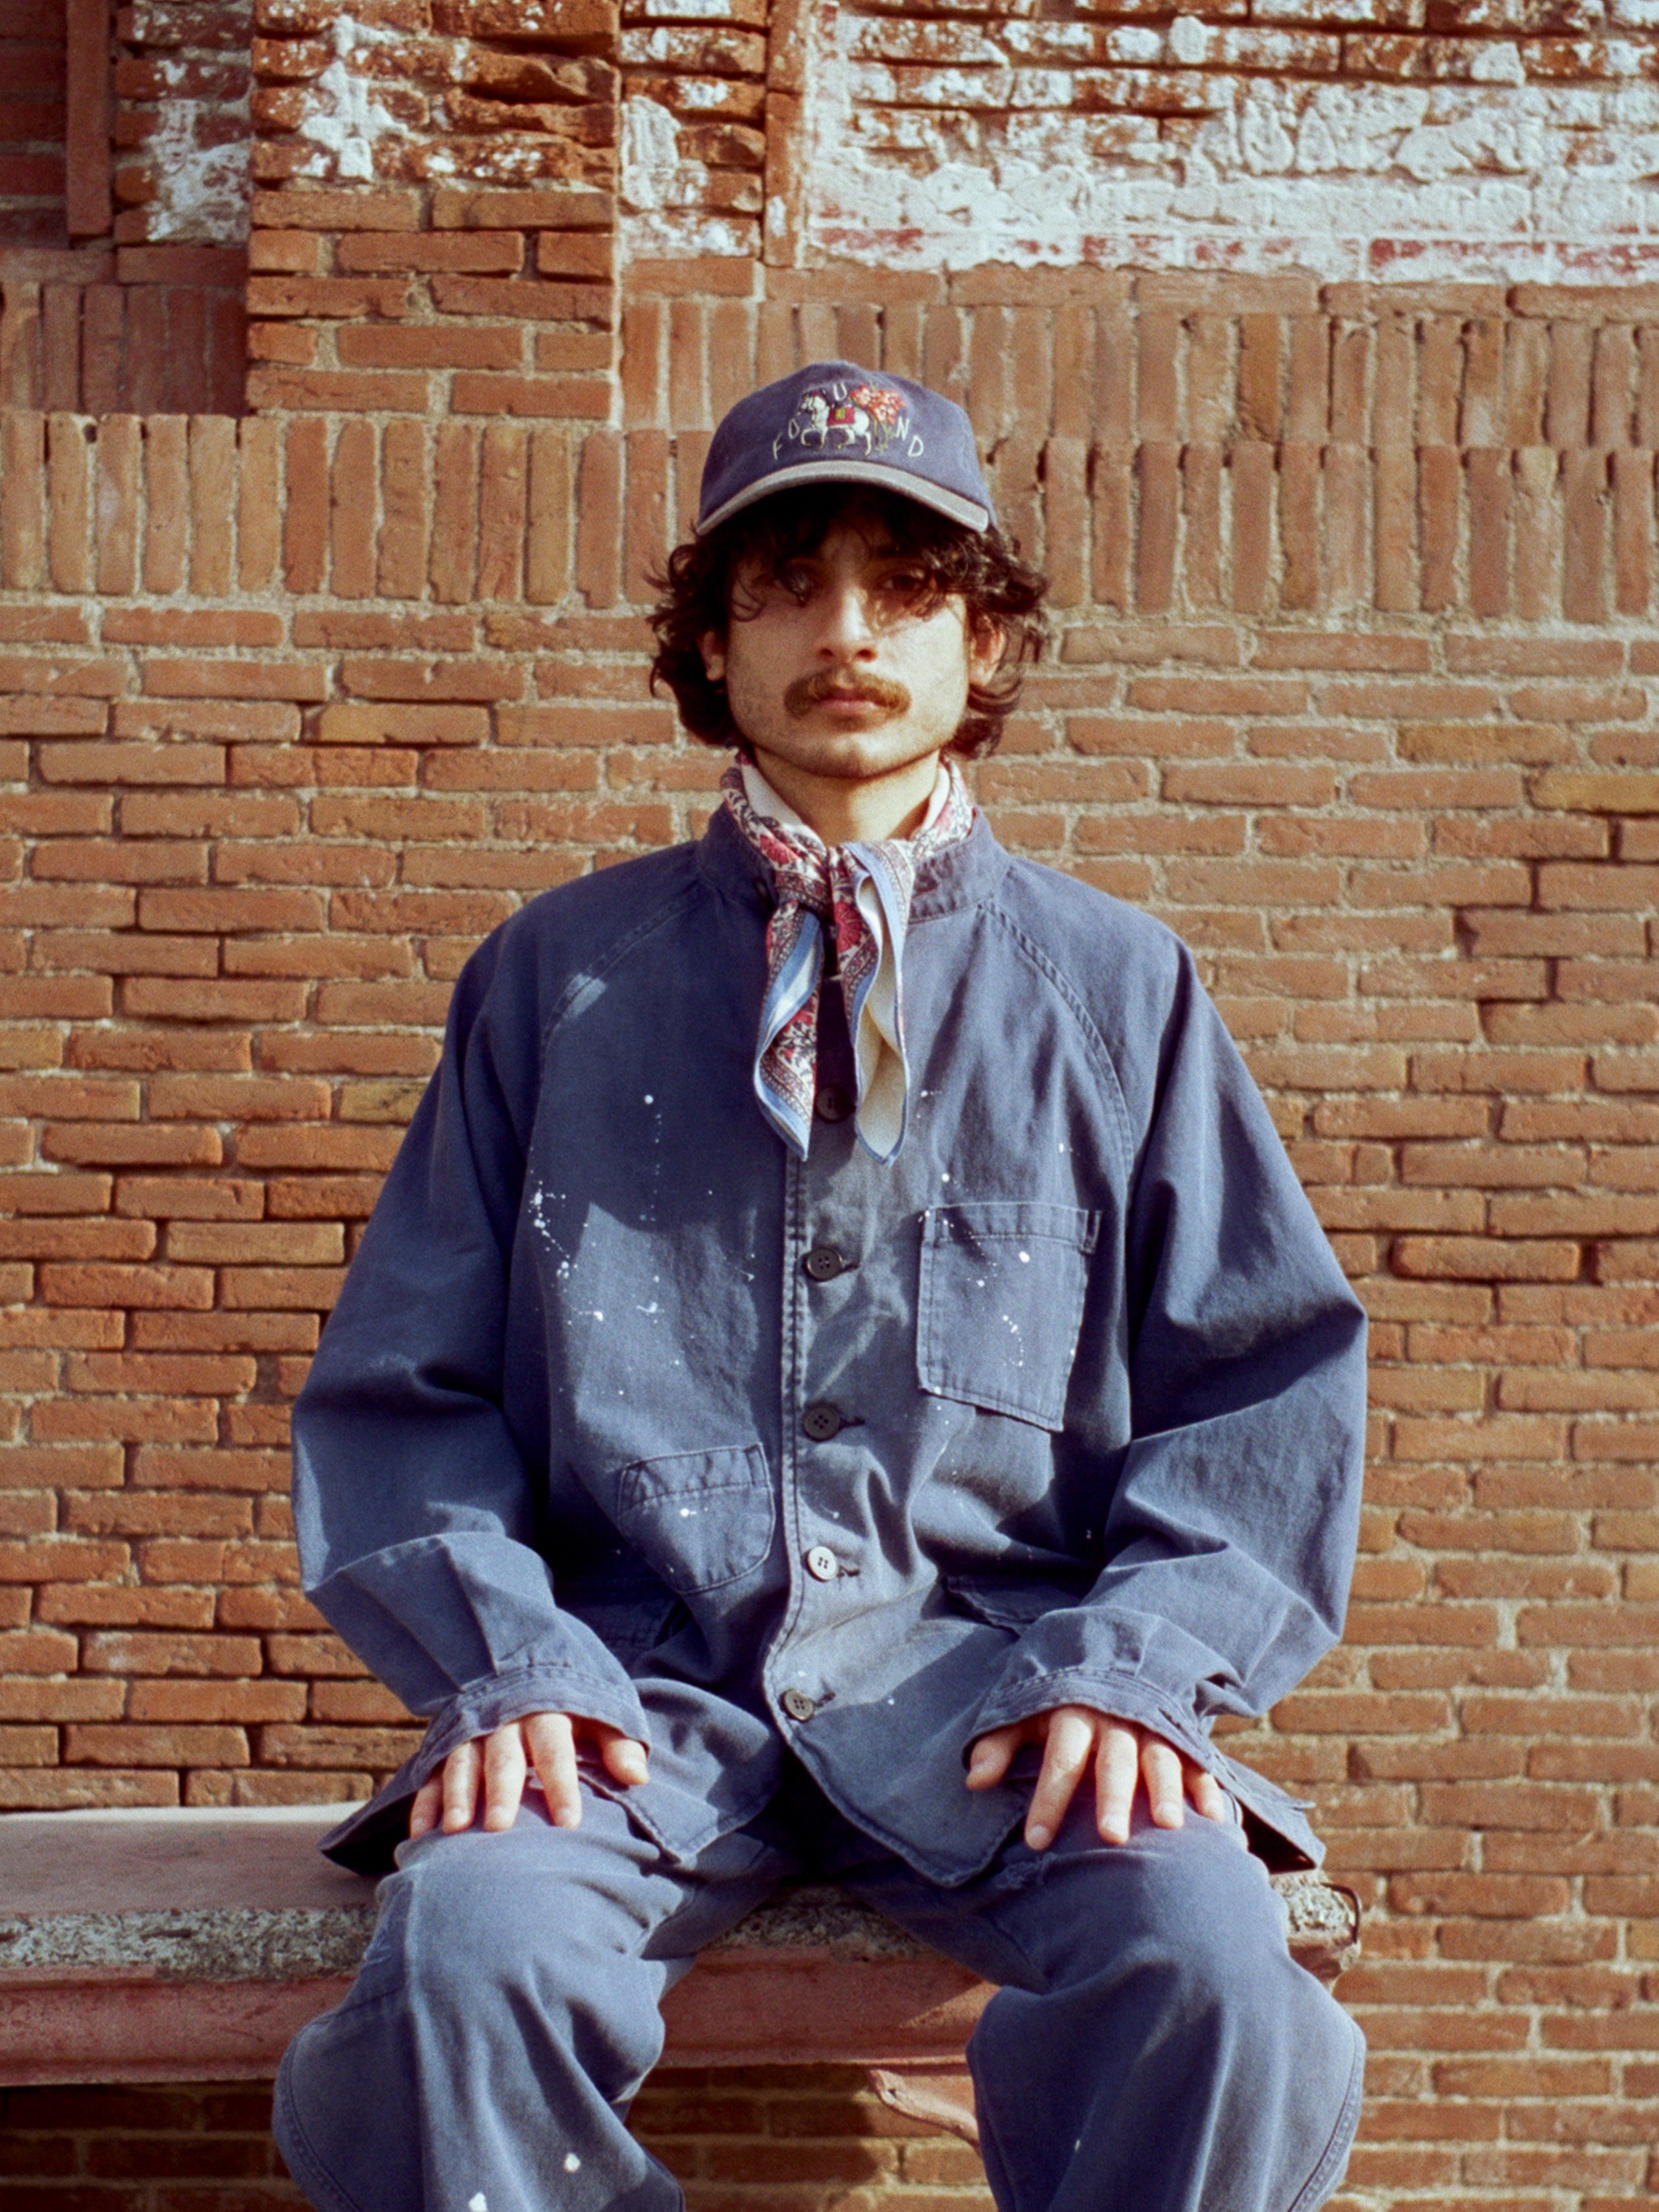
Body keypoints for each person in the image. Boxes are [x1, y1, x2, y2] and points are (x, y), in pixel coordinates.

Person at [273, 363, 1369, 2212]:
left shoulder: (1117, 993)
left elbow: (1259, 1384)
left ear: (984, 644)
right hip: (635, 1685)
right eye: (784, 581)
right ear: (709, 641)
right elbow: (405, 1391)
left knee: (1218, 1979)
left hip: (1002, 1687)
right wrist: (510, 1664)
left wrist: (1138, 1668)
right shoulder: (557, 983)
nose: (846, 630)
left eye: (907, 583)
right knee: (465, 1962)